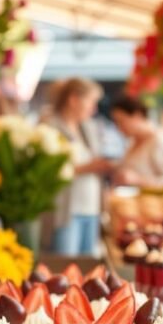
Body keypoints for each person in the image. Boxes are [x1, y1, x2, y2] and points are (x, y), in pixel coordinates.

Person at [43, 78, 112, 256]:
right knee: (64, 268)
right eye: (91, 102)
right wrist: (88, 167)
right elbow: (47, 172)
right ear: (74, 99)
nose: (94, 109)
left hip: (91, 210)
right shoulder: (49, 127)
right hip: (66, 212)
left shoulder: (88, 128)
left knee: (88, 271)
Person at [110, 95, 163, 187]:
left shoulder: (161, 141)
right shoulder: (132, 141)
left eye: (121, 121)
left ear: (137, 115)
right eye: (116, 123)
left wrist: (138, 180)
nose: (119, 128)